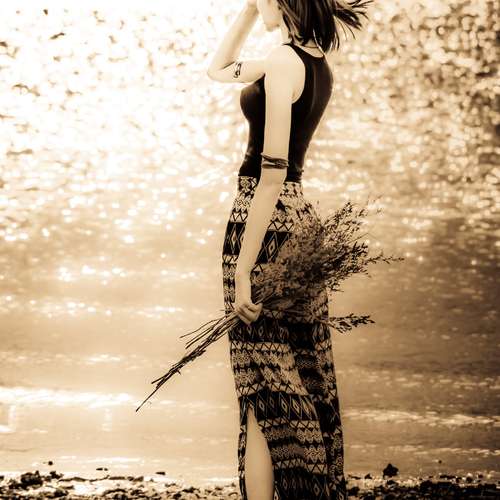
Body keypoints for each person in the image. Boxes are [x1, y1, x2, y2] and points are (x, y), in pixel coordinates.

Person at [207, 1, 371, 498]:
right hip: (299, 221)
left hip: (265, 222)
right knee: (293, 376)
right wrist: (248, 12)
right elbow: (218, 69)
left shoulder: (282, 61)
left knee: (262, 388)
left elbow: (273, 170)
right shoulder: (312, 61)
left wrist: (244, 269)